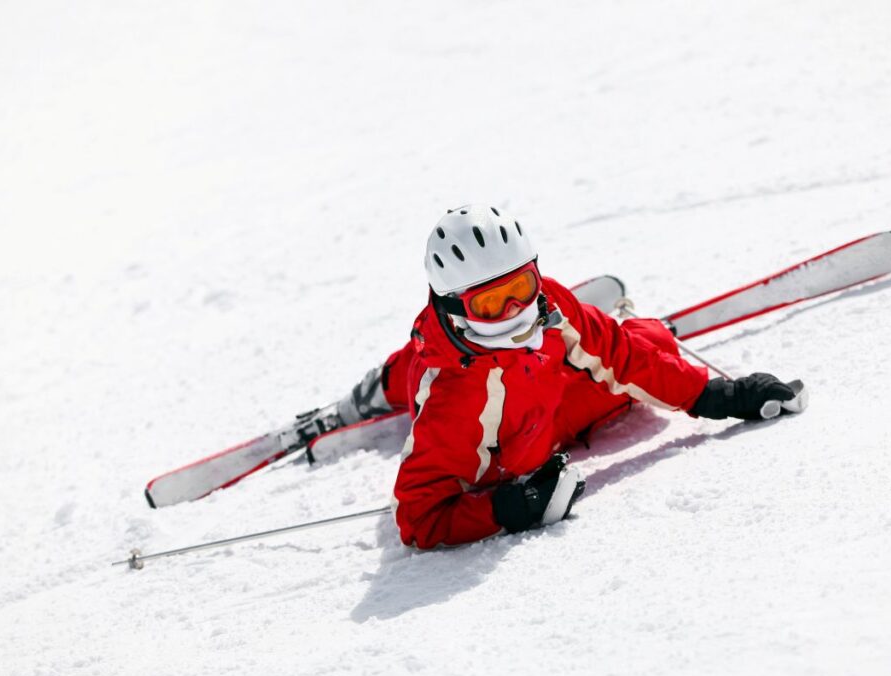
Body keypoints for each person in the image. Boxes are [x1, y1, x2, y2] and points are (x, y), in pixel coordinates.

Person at [331, 205, 797, 549]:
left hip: (544, 409)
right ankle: (380, 385)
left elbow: (619, 356)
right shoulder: (450, 399)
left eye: (520, 288)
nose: (516, 311)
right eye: (492, 304)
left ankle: (649, 336)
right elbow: (419, 518)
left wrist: (719, 396)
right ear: (457, 309)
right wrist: (510, 508)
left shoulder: (549, 303)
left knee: (649, 344)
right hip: (503, 457)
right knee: (416, 375)